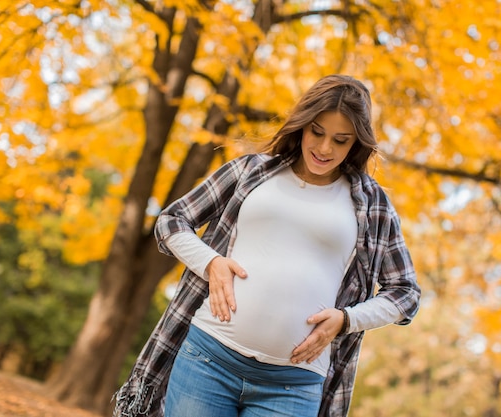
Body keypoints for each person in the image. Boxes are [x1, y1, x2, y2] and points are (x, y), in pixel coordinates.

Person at [113, 74, 420, 417]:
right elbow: (172, 221)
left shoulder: (371, 204)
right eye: (316, 132)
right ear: (302, 125)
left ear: (356, 144)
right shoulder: (251, 171)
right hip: (207, 358)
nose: (324, 148)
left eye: (340, 140)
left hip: (294, 385)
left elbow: (405, 293)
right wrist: (210, 262)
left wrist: (346, 319)